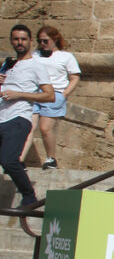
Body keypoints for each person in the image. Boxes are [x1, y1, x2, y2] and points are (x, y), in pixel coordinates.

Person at [0, 24, 53, 207]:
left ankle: (29, 196)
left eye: (23, 39)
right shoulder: (8, 65)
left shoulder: (36, 66)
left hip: (18, 118)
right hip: (2, 117)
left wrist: (19, 94)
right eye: (16, 39)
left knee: (8, 160)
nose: (19, 42)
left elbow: (49, 95)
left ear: (30, 41)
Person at [24, 25, 80, 169]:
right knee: (28, 126)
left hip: (54, 94)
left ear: (54, 39)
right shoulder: (35, 54)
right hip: (34, 92)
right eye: (39, 41)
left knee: (45, 128)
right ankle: (19, 159)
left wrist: (64, 94)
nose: (42, 44)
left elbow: (74, 77)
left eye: (45, 41)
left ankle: (51, 158)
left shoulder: (66, 56)